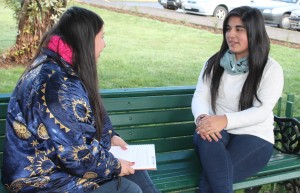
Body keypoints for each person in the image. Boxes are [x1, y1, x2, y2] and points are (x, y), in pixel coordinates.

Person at [1, 6, 159, 193]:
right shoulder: (56, 86)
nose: (104, 44)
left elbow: (79, 125)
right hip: (40, 181)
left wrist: (109, 137)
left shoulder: (61, 67)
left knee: (134, 168)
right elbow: (75, 155)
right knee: (129, 189)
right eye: (101, 37)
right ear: (85, 41)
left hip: (59, 168)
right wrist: (115, 166)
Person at [191, 6, 284, 193]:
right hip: (214, 130)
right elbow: (201, 95)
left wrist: (224, 120)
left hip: (254, 136)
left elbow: (262, 111)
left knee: (211, 181)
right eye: (228, 28)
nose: (231, 34)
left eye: (239, 29)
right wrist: (202, 118)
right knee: (209, 151)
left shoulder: (270, 69)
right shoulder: (214, 63)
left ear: (254, 32)